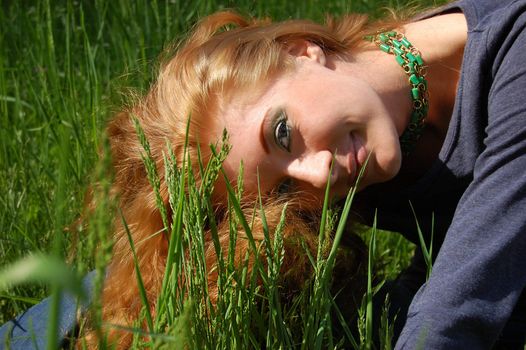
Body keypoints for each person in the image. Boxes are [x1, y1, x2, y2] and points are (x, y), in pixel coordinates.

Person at [2, 0, 526, 348]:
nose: (317, 177)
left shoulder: (514, 48)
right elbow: (446, 252)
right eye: (283, 188)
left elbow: (459, 312)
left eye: (282, 133)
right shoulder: (366, 139)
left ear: (299, 50)